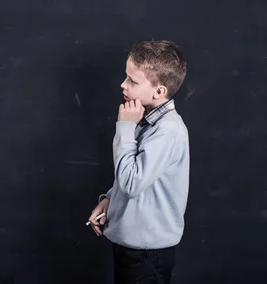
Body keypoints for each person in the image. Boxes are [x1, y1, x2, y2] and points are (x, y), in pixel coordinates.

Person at [88, 40, 190, 284]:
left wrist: (124, 127)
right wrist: (110, 199)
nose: (123, 85)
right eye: (126, 77)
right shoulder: (147, 120)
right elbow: (139, 174)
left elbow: (132, 182)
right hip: (133, 245)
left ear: (159, 91)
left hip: (147, 254)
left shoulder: (167, 130)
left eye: (133, 81)